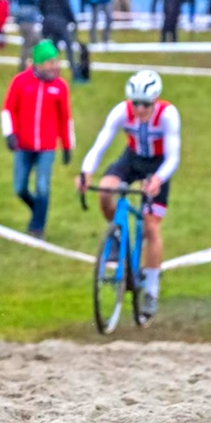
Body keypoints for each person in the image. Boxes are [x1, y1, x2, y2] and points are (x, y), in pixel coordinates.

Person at [76, 71, 181, 319]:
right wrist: (85, 172)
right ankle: (117, 235)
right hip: (132, 159)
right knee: (105, 190)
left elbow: (173, 157)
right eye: (136, 103)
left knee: (151, 227)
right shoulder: (122, 111)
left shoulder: (168, 115)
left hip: (158, 164)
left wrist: (157, 179)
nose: (140, 109)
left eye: (146, 104)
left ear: (155, 100)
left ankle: (151, 290)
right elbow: (101, 143)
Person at [1, 40, 74, 238]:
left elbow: (65, 118)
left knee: (43, 186)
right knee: (19, 187)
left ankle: (37, 227)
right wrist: (10, 133)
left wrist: (67, 146)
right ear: (38, 64)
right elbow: (8, 109)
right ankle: (37, 210)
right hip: (23, 145)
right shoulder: (20, 81)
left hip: (47, 147)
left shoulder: (60, 87)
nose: (54, 66)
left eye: (55, 62)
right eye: (50, 62)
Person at [39, 0, 79, 80]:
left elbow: (41, 7)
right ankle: (75, 74)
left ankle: (47, 72)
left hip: (47, 23)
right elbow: (67, 8)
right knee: (69, 48)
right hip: (60, 22)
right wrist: (73, 20)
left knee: (51, 50)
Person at [12, 0, 43, 69]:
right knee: (30, 43)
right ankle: (25, 68)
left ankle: (27, 67)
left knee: (29, 43)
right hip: (27, 20)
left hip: (25, 20)